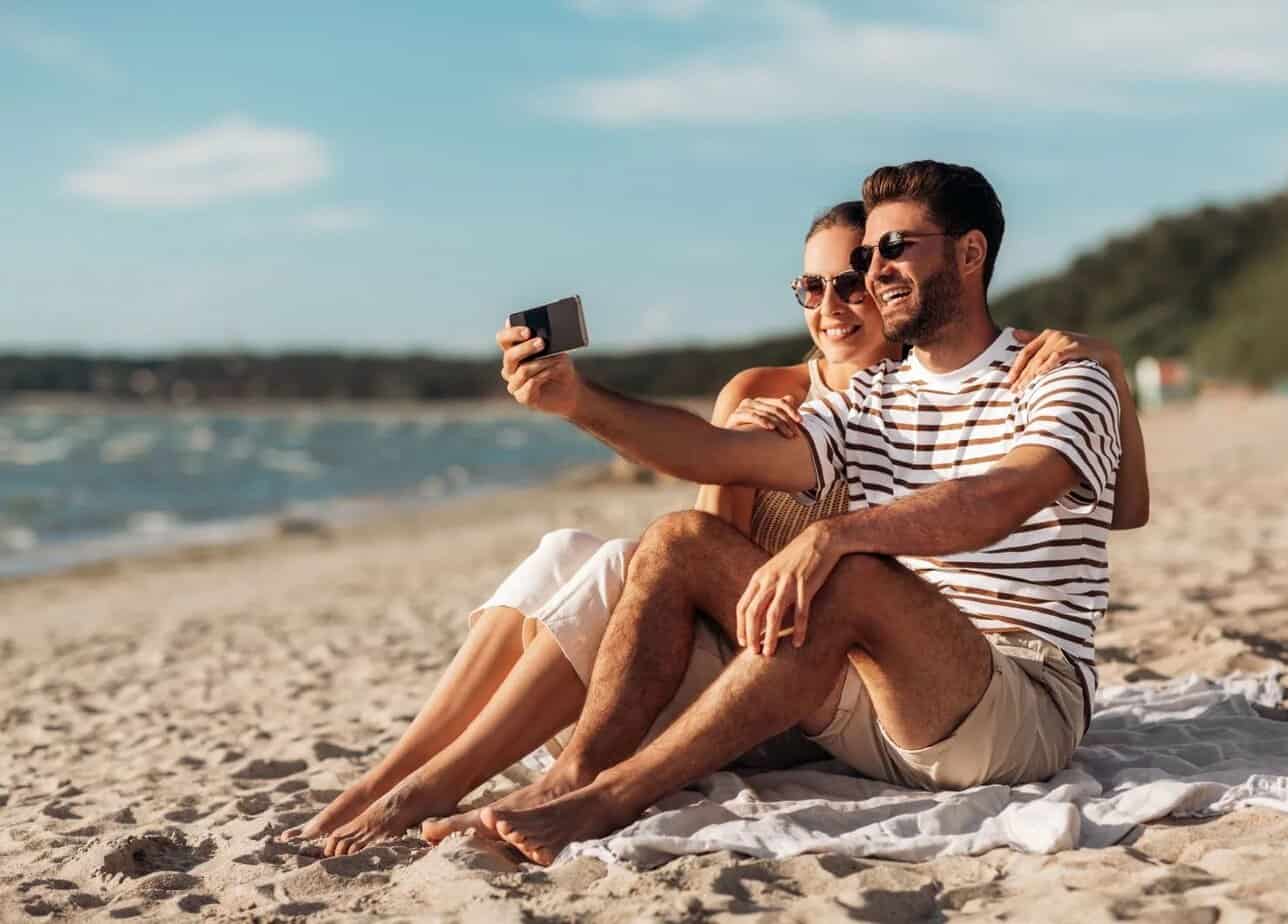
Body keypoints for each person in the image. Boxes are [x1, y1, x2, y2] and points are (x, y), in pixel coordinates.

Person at [280, 192, 1148, 857]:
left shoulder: (1053, 374)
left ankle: (599, 795)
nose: (852, 291)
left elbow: (1026, 502)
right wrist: (578, 402)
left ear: (966, 257)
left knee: (815, 571)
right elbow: (700, 463)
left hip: (1002, 688)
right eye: (821, 281)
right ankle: (542, 773)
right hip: (853, 685)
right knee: (659, 542)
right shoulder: (864, 405)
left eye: (876, 265)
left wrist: (834, 533)